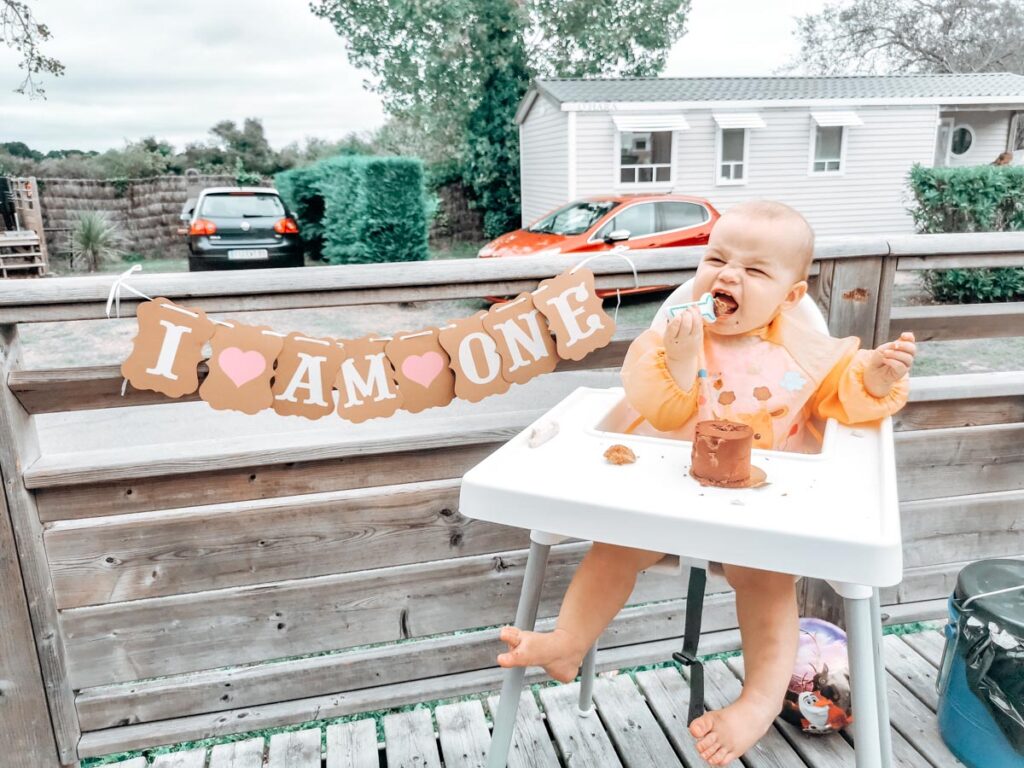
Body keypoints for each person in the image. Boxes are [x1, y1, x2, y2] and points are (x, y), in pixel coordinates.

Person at [496, 200, 917, 765]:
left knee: (767, 582)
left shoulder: (804, 348)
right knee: (614, 548)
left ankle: (760, 702)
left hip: (758, 503)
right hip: (665, 496)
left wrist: (877, 373)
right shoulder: (672, 337)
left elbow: (847, 399)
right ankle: (569, 643)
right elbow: (658, 410)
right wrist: (678, 356)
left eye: (756, 270)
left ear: (790, 297)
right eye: (716, 257)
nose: (728, 275)